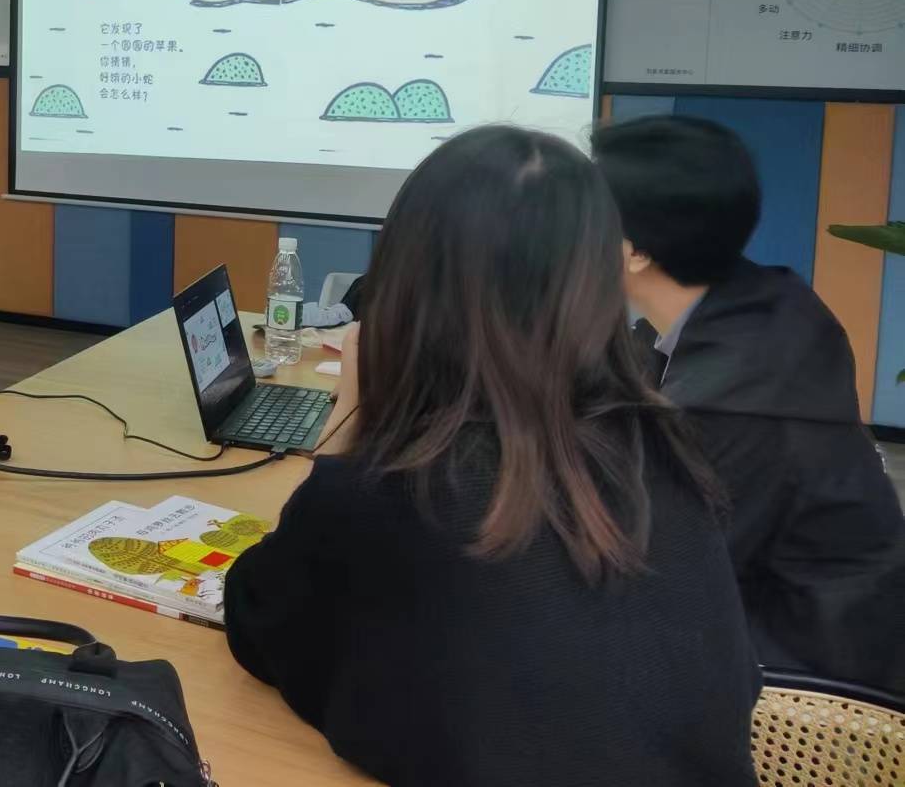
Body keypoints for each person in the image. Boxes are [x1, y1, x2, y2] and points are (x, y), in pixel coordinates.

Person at [225, 126, 759, 787]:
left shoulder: (390, 491)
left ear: (405, 279)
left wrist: (347, 428)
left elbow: (254, 619)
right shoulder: (664, 448)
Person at [592, 114, 905, 692]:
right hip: (819, 625)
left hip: (810, 682)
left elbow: (656, 579)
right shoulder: (767, 300)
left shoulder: (727, 403)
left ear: (635, 252)